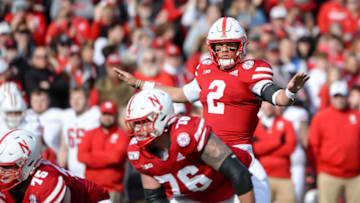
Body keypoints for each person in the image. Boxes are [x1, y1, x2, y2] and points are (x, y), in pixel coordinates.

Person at [114, 16, 309, 202]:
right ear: (211, 46)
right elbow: (181, 94)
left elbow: (277, 97)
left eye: (230, 45)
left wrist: (290, 92)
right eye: (219, 45)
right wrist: (140, 83)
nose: (224, 50)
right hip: (204, 149)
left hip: (239, 151)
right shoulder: (206, 69)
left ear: (242, 45)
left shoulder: (253, 70)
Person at [126, 89, 254, 203]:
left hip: (237, 185)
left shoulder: (187, 134)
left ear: (163, 117)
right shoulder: (138, 152)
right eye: (135, 123)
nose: (138, 129)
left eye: (144, 122)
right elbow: (155, 197)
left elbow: (238, 173)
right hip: (192, 197)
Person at [0, 129, 111, 203]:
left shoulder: (47, 183)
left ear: (28, 163)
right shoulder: (10, 182)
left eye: (7, 167)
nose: (2, 172)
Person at [307, 80, 360, 203]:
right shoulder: (321, 117)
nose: (339, 99)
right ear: (331, 97)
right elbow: (313, 146)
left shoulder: (356, 116)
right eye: (336, 96)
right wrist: (318, 170)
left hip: (355, 175)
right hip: (329, 174)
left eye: (342, 96)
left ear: (347, 97)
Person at [78, 100, 130, 203]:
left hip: (113, 190)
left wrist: (93, 157)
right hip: (91, 188)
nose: (107, 118)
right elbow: (81, 156)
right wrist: (106, 157)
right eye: (105, 114)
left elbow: (116, 158)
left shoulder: (122, 135)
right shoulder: (90, 133)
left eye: (110, 114)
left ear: (115, 116)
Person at [253, 102, 297, 203]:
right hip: (262, 176)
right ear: (261, 105)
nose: (268, 106)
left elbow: (290, 148)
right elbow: (256, 149)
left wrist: (265, 147)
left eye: (271, 103)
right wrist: (278, 141)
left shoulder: (286, 123)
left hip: (284, 176)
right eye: (266, 103)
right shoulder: (255, 124)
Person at [58, 87, 100, 178]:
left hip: (94, 171)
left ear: (88, 100)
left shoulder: (96, 114)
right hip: (73, 172)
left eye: (79, 98)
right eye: (73, 98)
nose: (75, 102)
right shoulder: (66, 116)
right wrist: (60, 170)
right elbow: (63, 147)